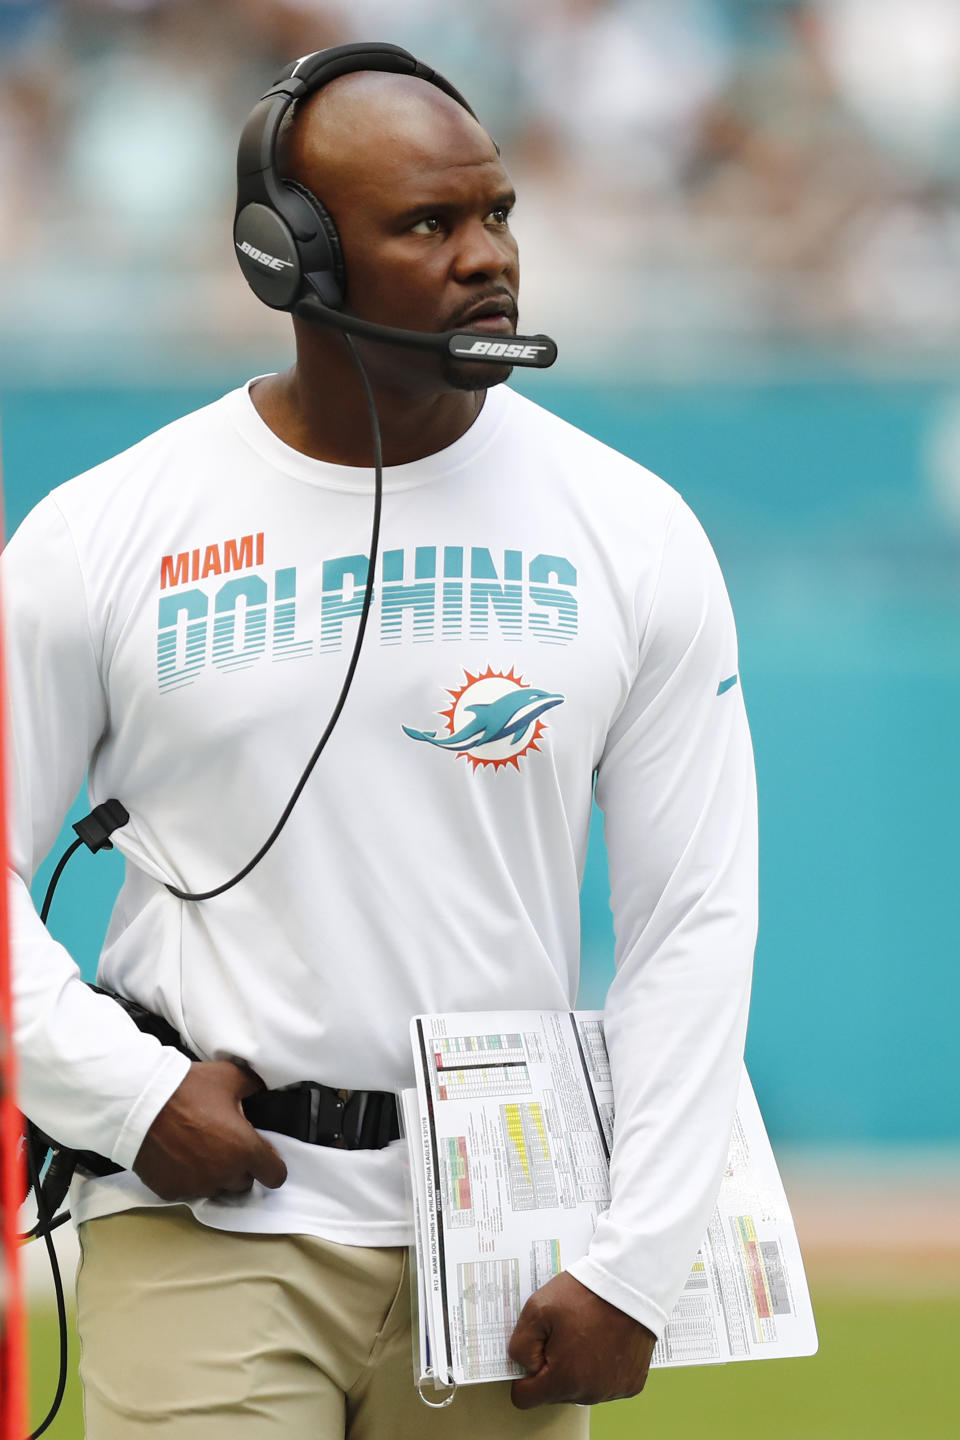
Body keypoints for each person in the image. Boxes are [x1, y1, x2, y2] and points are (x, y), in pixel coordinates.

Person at [4, 45, 757, 1440]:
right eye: (428, 225)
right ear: (288, 257)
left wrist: (637, 1251)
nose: (488, 259)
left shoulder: (635, 530)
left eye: (499, 214)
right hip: (208, 1212)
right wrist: (125, 1096)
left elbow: (694, 921)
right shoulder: (99, 533)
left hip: (514, 1238)